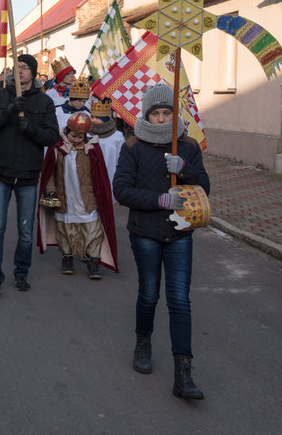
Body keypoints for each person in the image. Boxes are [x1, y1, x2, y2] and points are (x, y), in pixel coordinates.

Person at [113, 83, 210, 401]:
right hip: (145, 232)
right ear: (146, 115)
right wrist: (159, 199)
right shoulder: (133, 147)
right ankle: (143, 342)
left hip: (180, 233)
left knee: (180, 300)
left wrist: (185, 170)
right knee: (149, 293)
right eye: (155, 113)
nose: (161, 118)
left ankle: (184, 371)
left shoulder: (188, 146)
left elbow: (204, 186)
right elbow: (122, 190)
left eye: (167, 112)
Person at [0, 54, 60, 297]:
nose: (20, 71)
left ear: (33, 72)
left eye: (25, 67)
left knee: (25, 230)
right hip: (0, 172)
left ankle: (21, 273)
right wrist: (9, 110)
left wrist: (32, 130)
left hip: (27, 174)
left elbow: (52, 136)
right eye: (17, 67)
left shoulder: (44, 101)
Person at [37, 112, 118, 279]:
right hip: (65, 196)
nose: (76, 140)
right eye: (73, 136)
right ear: (67, 131)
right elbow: (49, 171)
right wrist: (50, 188)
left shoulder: (92, 149)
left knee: (93, 230)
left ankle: (93, 261)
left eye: (80, 137)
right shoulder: (57, 148)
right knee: (65, 229)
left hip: (87, 198)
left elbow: (100, 175)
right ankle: (67, 258)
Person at [89, 97, 125, 203]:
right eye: (92, 117)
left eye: (97, 117)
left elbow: (121, 160)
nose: (93, 120)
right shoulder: (86, 134)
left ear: (105, 119)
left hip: (109, 175)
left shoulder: (117, 136)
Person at [45, 56, 77, 126]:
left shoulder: (75, 93)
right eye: (68, 74)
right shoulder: (49, 94)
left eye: (73, 73)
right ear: (61, 76)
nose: (72, 76)